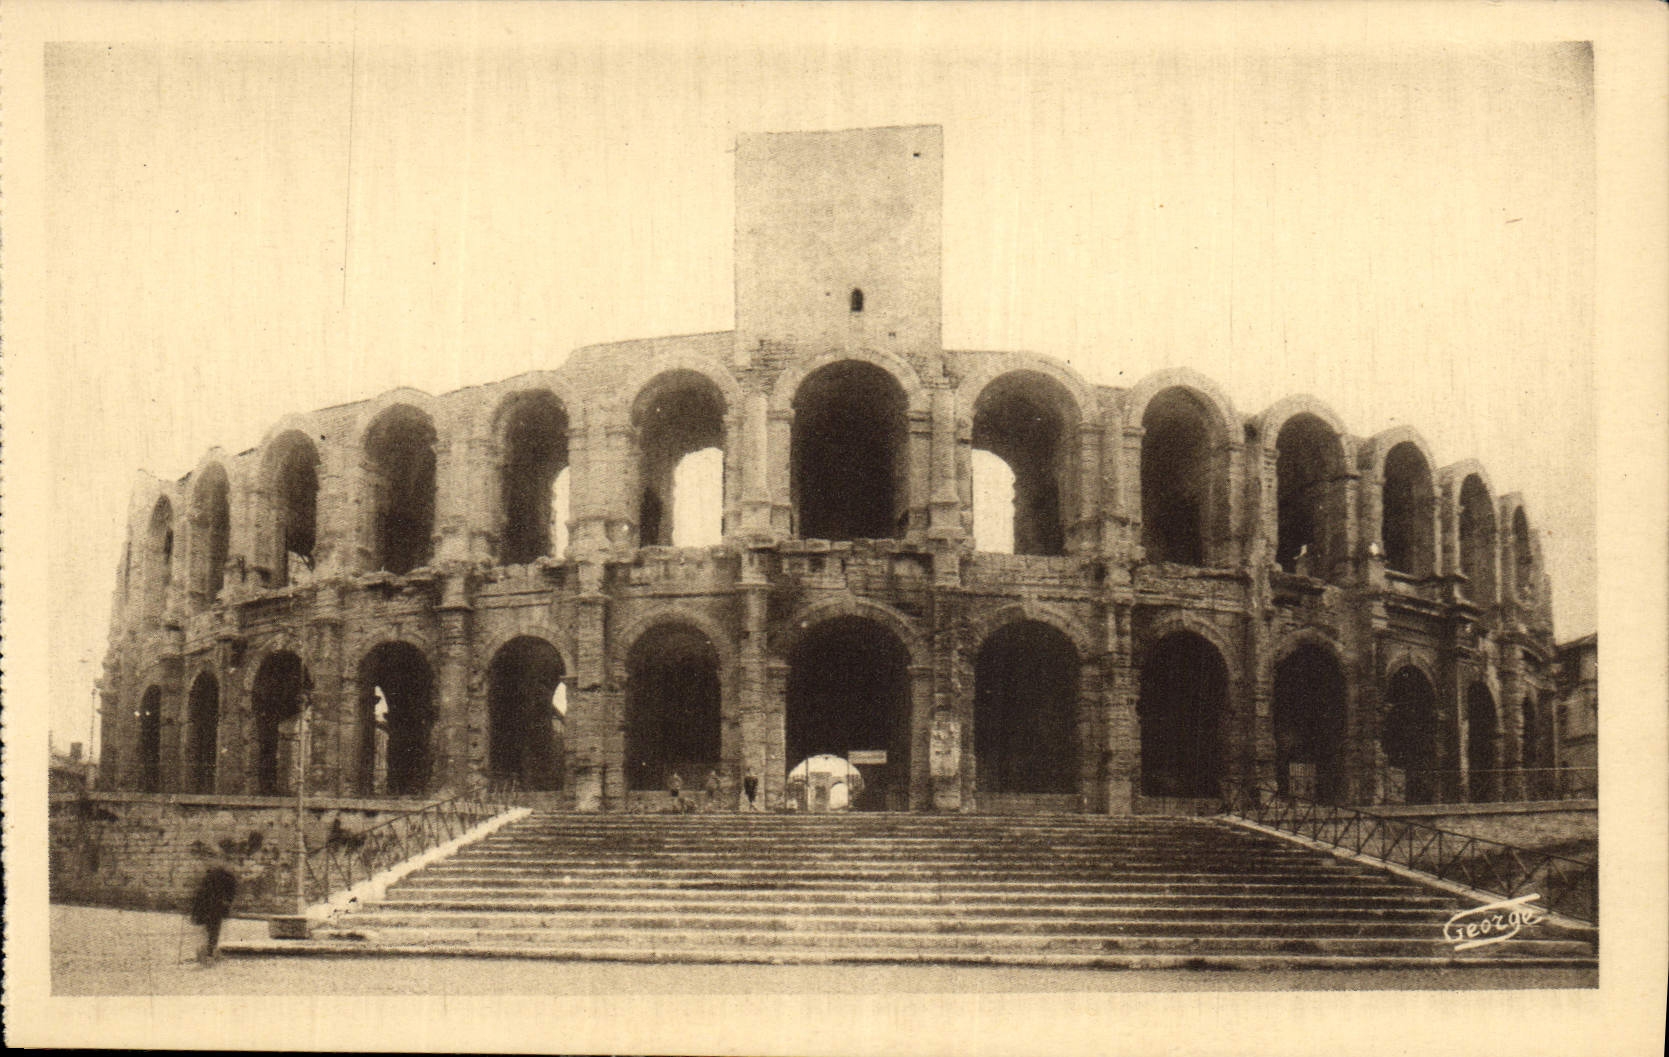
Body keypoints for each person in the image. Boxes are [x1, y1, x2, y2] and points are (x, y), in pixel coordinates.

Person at [188, 848, 239, 964]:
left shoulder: (223, 876)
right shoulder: (212, 875)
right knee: (209, 930)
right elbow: (201, 893)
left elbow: (230, 892)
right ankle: (207, 952)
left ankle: (209, 952)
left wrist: (227, 903)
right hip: (208, 906)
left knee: (212, 930)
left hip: (214, 907)